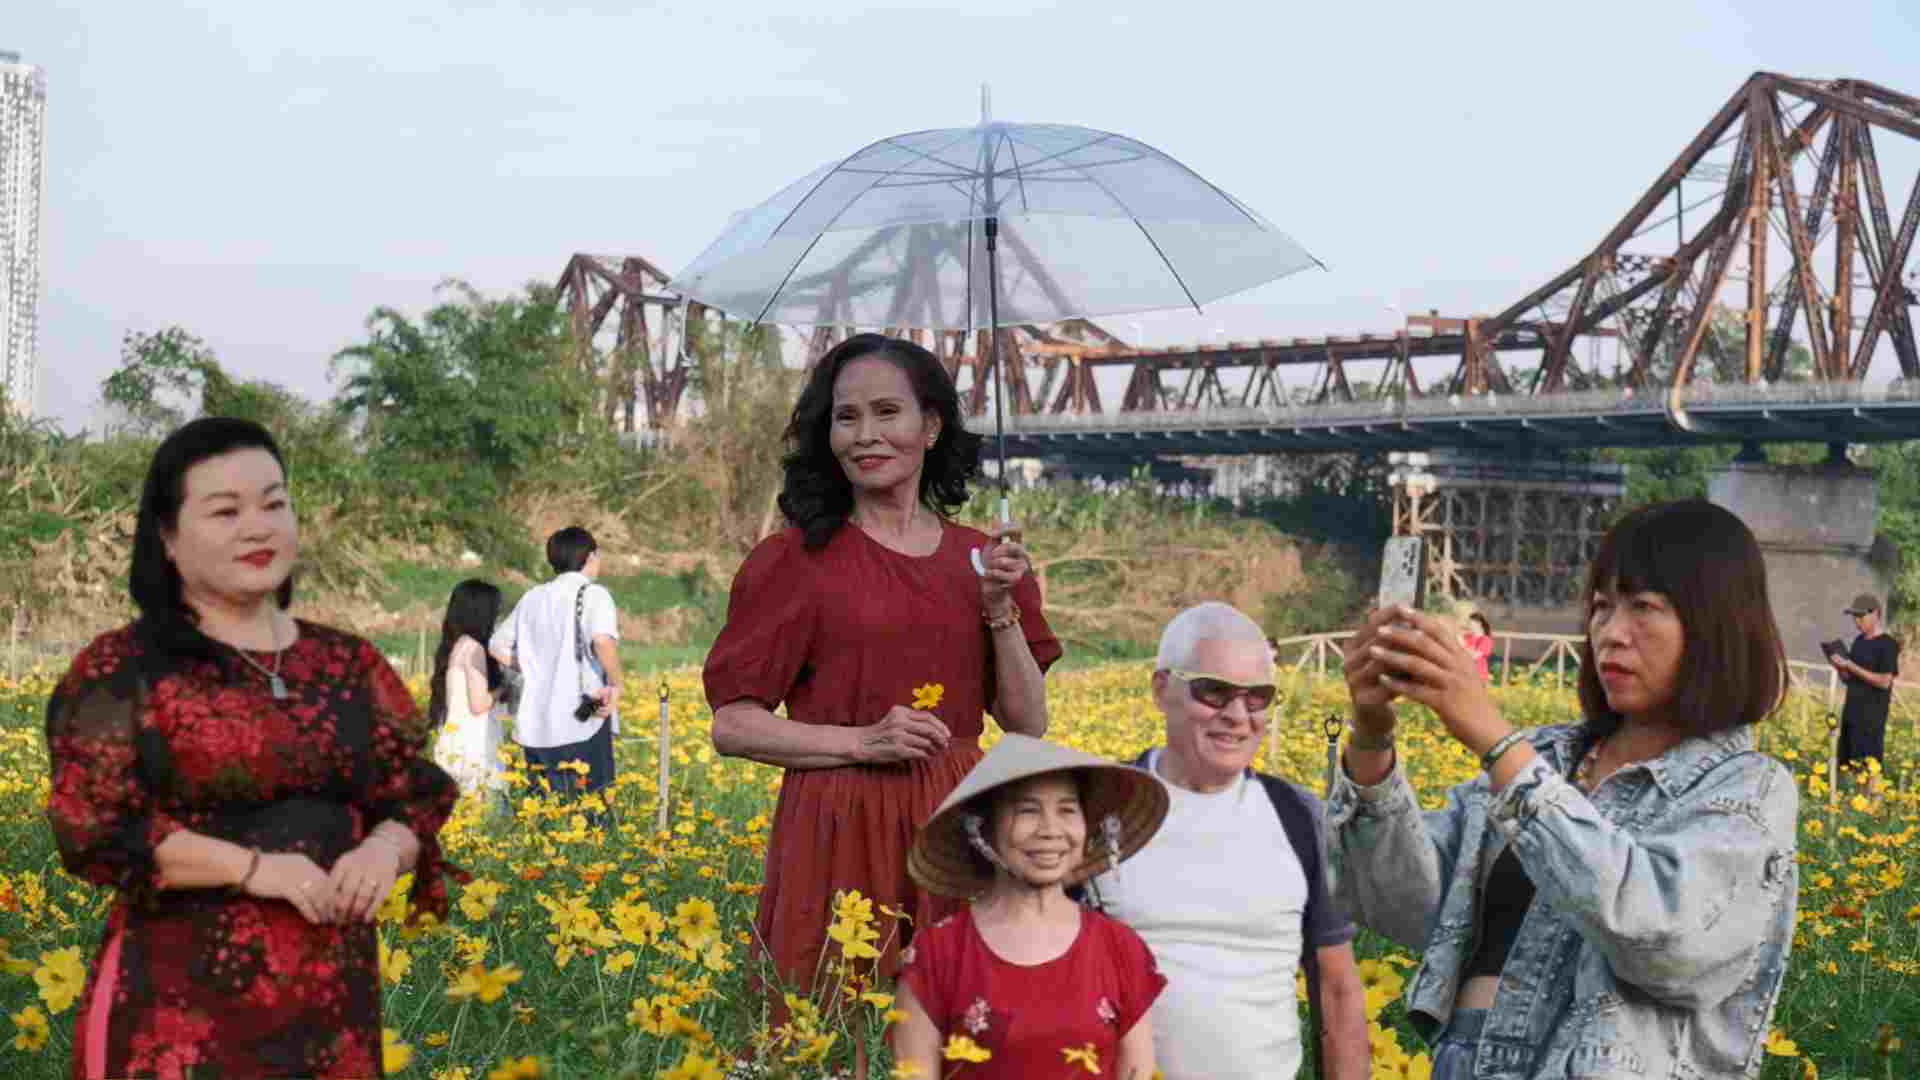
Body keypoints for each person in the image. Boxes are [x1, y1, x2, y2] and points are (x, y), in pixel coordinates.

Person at [43, 417, 459, 1078]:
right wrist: (256, 869)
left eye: (274, 503)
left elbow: (416, 793)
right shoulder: (123, 670)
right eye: (226, 510)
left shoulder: (347, 664)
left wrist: (384, 850)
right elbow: (95, 826)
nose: (259, 526)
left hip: (331, 1011)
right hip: (178, 1014)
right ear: (167, 538)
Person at [1332, 499, 1799, 1080]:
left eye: (1644, 607)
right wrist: (1372, 734)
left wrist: (1494, 739)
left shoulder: (1747, 788)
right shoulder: (1550, 755)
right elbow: (1399, 900)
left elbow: (1664, 939)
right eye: (1602, 607)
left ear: (1717, 625)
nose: (1612, 633)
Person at [704, 333, 1060, 1006]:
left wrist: (999, 608)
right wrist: (863, 741)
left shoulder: (985, 561)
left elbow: (1026, 721)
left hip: (960, 824)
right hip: (839, 824)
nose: (865, 435)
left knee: (965, 1036)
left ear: (930, 426)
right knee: (835, 1030)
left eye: (886, 412)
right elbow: (733, 725)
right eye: (847, 416)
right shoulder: (792, 562)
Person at [1079, 602, 1369, 1080]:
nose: (1238, 715)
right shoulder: (1098, 810)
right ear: (1160, 689)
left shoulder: (1299, 818)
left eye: (1258, 697)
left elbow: (1337, 990)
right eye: (1213, 692)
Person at [894, 734, 1170, 1080]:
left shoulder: (1120, 948)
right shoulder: (936, 954)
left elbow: (1137, 1072)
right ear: (982, 830)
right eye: (1028, 811)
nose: (1051, 830)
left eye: (1067, 810)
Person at [490, 526, 622, 807]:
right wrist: (617, 683)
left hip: (536, 725)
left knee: (544, 813)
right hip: (582, 720)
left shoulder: (532, 597)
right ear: (591, 556)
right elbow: (601, 641)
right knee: (590, 811)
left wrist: (533, 667)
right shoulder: (594, 594)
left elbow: (497, 646)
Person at [430, 578, 508, 807]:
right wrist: (503, 689)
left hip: (455, 742)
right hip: (473, 747)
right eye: (495, 610)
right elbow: (479, 703)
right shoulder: (473, 649)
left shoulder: (457, 646)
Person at [1831, 592, 1900, 778]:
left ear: (1876, 613)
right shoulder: (1859, 642)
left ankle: (1871, 806)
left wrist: (1851, 666)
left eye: (1861, 616)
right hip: (1851, 713)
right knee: (1847, 766)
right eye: (1854, 617)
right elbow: (1849, 679)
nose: (1857, 621)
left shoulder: (1888, 645)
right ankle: (1853, 803)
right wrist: (1840, 668)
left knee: (1869, 768)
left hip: (1871, 719)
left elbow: (1885, 682)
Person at [1460, 611, 1494, 683]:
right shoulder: (1466, 637)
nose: (1468, 625)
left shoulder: (1486, 640)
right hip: (1464, 675)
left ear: (1478, 624)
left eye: (1470, 623)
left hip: (1479, 677)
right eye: (1468, 623)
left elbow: (1475, 656)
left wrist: (1463, 645)